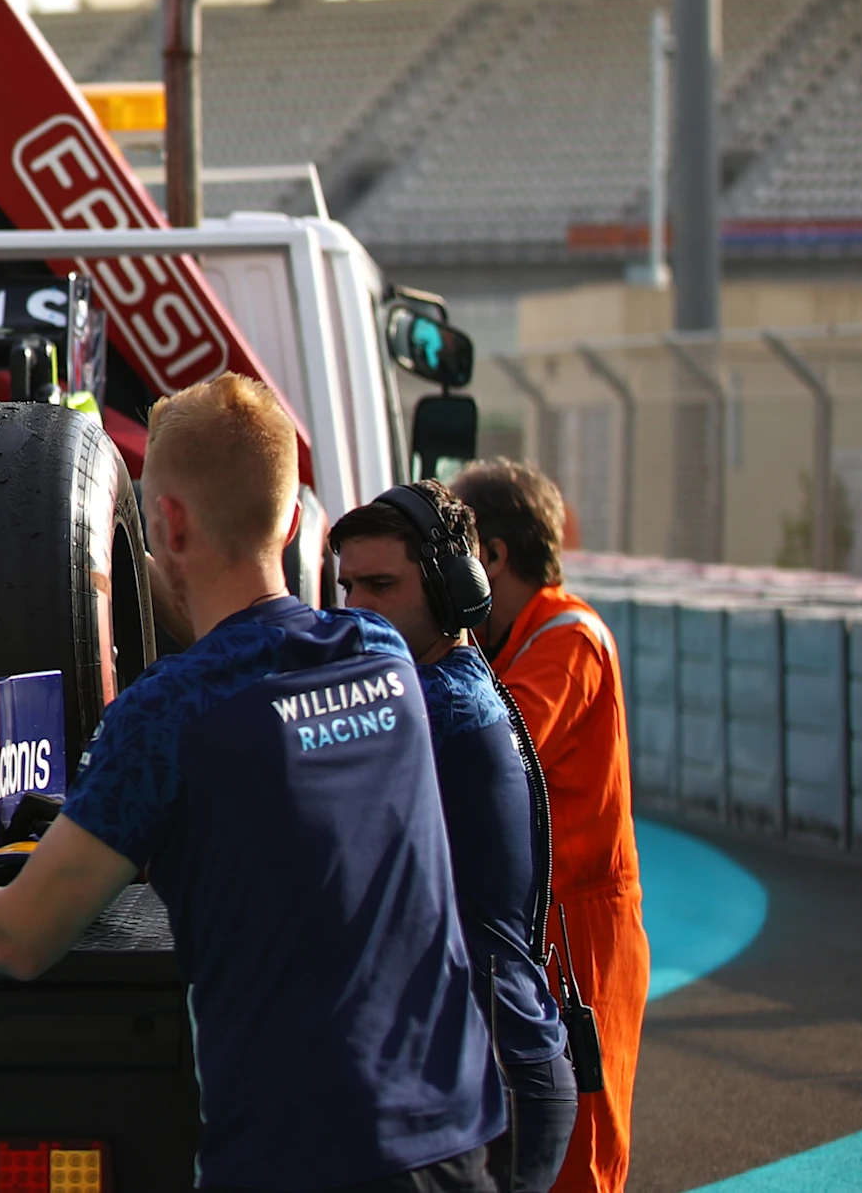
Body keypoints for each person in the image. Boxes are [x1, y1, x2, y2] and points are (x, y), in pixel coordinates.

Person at [0, 374, 500, 1193]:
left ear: (170, 521)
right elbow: (255, 655)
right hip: (453, 1128)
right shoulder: (382, 657)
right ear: (295, 519)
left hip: (303, 1156)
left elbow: (17, 938)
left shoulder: (166, 721)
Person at [332, 480, 577, 1193]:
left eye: (381, 584)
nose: (357, 608)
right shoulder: (438, 687)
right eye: (347, 587)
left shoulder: (437, 706)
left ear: (452, 590)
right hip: (486, 1066)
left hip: (494, 1076)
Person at [455, 459, 645, 1193]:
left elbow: (499, 743)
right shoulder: (528, 639)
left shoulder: (572, 638)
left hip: (580, 933)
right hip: (538, 926)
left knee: (580, 1164)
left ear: (494, 558)